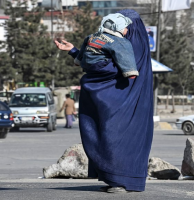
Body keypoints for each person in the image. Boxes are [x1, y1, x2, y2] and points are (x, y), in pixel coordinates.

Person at [54, 9, 153, 193]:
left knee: (117, 139)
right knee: (102, 136)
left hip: (125, 103)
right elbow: (99, 60)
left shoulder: (135, 46)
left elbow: (111, 70)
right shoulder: (115, 41)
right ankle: (111, 178)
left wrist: (92, 72)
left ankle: (123, 181)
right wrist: (74, 51)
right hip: (111, 100)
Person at [72, 13, 139, 79]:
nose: (127, 29)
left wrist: (76, 58)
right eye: (125, 27)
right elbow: (131, 74)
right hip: (103, 70)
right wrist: (130, 71)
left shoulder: (92, 36)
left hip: (88, 69)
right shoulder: (121, 42)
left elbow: (80, 58)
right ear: (119, 28)